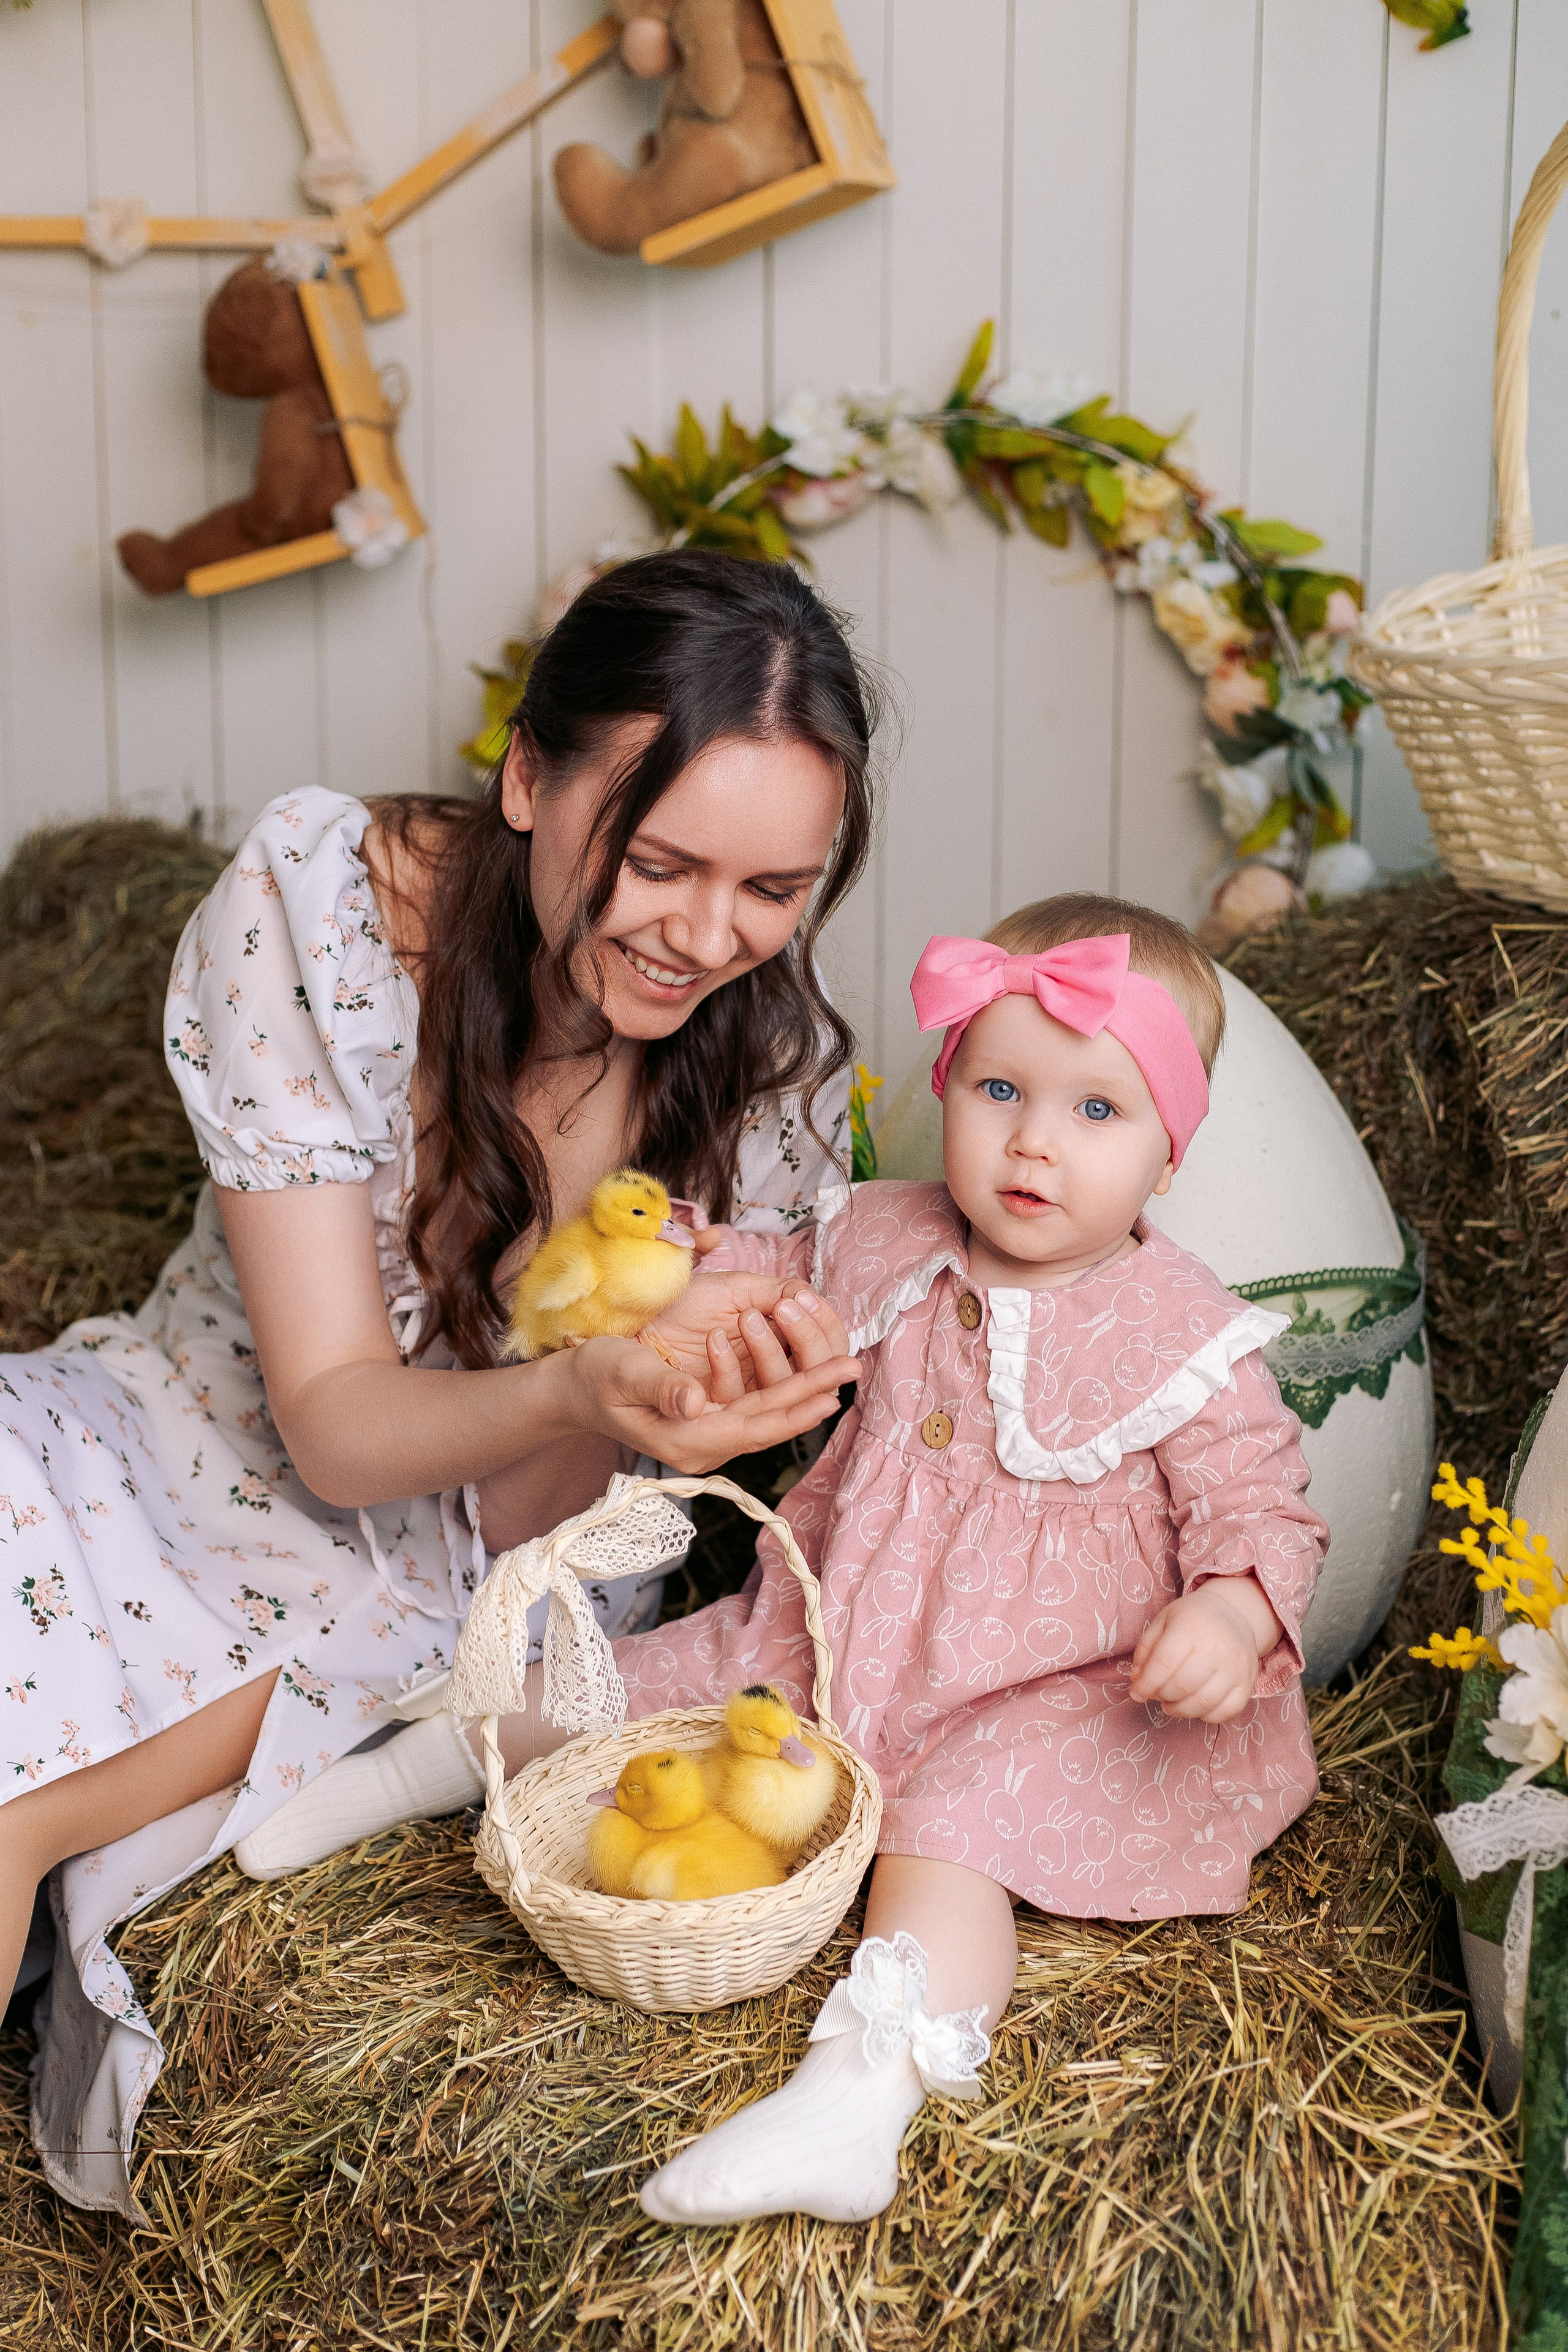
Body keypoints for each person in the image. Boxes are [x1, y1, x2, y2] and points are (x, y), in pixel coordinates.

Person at [0, 552, 872, 2216]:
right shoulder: (322, 911)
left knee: (14, 1809)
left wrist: (660, 1397)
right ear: (527, 776)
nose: (707, 938)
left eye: (774, 887)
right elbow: (332, 1421)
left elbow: (509, 1526)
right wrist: (586, 1384)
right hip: (188, 1432)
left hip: (448, 1573)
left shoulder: (766, 1083)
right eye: (658, 862)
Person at [605, 894, 1327, 2225]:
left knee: (951, 1830)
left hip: (1065, 1688)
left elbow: (1260, 1508)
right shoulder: (889, 1233)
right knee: (669, 1676)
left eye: (1096, 1111)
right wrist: (688, 1265)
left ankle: (856, 2098)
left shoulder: (1183, 1333)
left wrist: (1230, 1614)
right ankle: (442, 1746)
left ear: (1169, 1153)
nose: (1033, 1142)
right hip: (843, 1623)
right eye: (1000, 1090)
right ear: (947, 1083)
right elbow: (776, 1269)